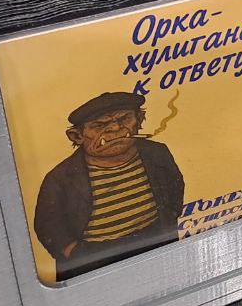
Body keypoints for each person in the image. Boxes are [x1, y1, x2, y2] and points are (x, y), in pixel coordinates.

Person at [34, 92, 185, 281]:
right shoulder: (60, 178)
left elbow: (174, 189)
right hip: (94, 257)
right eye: (99, 125)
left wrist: (166, 224)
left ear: (139, 119)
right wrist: (74, 252)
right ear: (77, 136)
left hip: (154, 240)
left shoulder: (156, 153)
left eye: (124, 119)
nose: (115, 128)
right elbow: (48, 224)